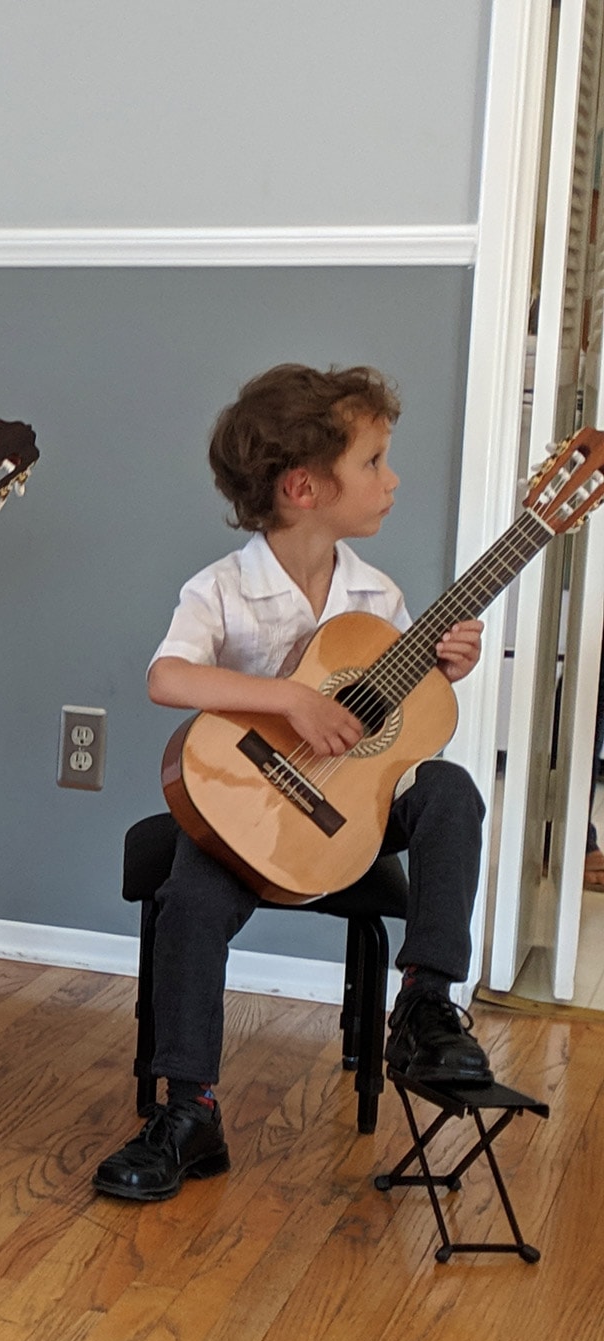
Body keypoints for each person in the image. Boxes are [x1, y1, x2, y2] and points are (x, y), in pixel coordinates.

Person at [93, 363, 494, 1204]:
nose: (393, 480)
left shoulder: (375, 595)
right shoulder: (223, 589)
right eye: (376, 462)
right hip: (245, 814)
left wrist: (444, 671)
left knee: (451, 788)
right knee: (191, 903)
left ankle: (423, 1005)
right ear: (305, 486)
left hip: (348, 809)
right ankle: (189, 1111)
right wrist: (286, 699)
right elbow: (168, 679)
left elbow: (389, 727)